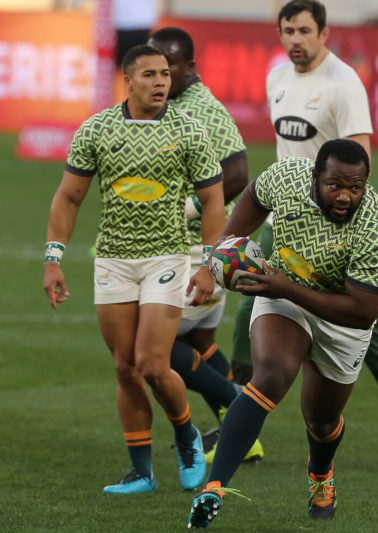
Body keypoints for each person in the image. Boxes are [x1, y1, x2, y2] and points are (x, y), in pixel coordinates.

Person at [230, 0, 378, 457]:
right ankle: (238, 417)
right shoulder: (277, 77)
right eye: (288, 30)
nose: (295, 40)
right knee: (250, 302)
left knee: (367, 322)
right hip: (287, 214)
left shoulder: (344, 84)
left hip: (334, 223)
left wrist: (343, 218)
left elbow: (360, 160)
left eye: (304, 31)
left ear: (323, 34)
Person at [187, 139, 378, 529]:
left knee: (321, 421)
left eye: (356, 188)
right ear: (316, 176)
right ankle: (214, 487)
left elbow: (361, 311)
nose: (345, 196)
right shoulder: (288, 177)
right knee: (270, 374)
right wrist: (223, 248)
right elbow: (253, 196)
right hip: (281, 291)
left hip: (339, 318)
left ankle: (320, 474)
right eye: (335, 185)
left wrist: (287, 289)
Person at [43, 44, 226, 494]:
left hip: (167, 257)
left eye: (165, 73)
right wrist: (53, 258)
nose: (161, 81)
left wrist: (208, 267)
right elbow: (70, 197)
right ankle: (141, 473)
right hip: (113, 260)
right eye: (149, 75)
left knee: (151, 363)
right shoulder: (97, 129)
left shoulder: (189, 131)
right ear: (128, 80)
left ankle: (185, 434)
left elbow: (213, 202)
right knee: (124, 367)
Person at [146, 27, 263, 464]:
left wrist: (184, 212)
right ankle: (244, 434)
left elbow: (236, 175)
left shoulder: (202, 110)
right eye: (152, 66)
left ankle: (241, 413)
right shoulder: (175, 104)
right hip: (196, 247)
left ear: (189, 67)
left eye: (168, 65)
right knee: (197, 342)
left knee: (154, 348)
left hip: (200, 249)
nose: (160, 73)